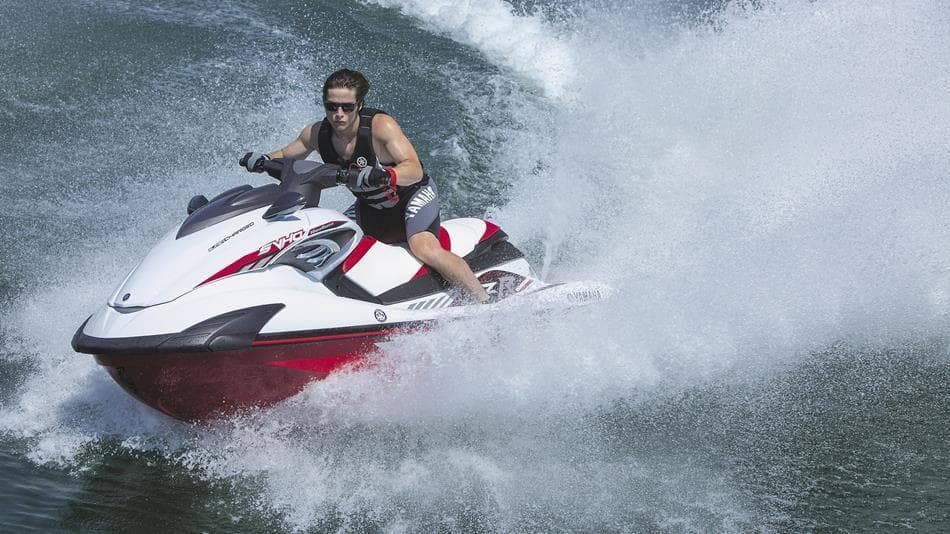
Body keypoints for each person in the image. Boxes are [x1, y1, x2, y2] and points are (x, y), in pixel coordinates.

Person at [241, 69, 489, 303]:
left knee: (425, 249)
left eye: (347, 107)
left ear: (359, 105)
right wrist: (262, 161)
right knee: (324, 238)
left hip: (410, 197)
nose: (339, 114)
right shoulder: (316, 133)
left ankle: (484, 302)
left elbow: (413, 169)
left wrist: (386, 176)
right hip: (369, 204)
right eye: (332, 106)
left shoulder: (381, 127)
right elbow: (287, 155)